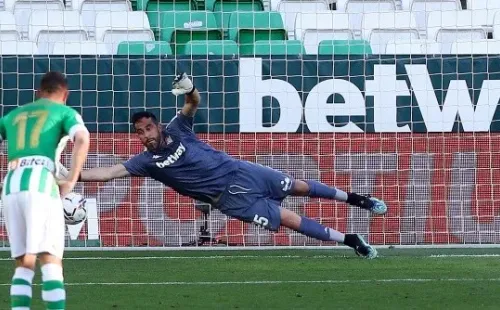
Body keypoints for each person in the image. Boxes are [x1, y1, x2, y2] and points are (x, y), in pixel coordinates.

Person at [73, 73, 387, 259]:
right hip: (231, 199)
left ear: (157, 126)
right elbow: (109, 173)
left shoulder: (178, 128)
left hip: (242, 170)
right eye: (139, 133)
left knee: (300, 185)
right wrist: (73, 173)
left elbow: (193, 102)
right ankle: (351, 241)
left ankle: (359, 200)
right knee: (291, 219)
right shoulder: (145, 162)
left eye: (147, 129)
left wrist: (189, 87)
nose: (144, 136)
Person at [0, 71, 90, 310]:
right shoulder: (65, 112)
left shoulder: (13, 115)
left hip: (11, 184)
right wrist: (70, 180)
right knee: (50, 261)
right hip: (41, 183)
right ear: (65, 94)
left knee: (24, 262)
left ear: (38, 92)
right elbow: (82, 139)